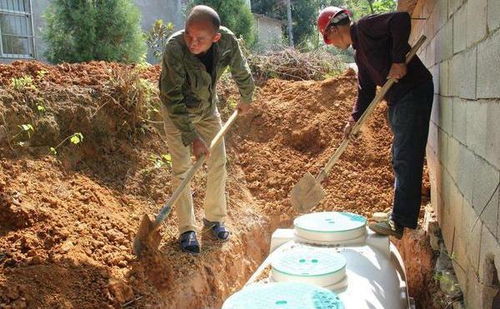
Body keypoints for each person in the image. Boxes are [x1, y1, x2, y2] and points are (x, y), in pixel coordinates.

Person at [317, 7, 433, 239]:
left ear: (334, 28)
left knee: (405, 155)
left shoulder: (365, 27)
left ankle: (399, 221)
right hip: (400, 99)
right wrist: (353, 120)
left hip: (413, 92)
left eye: (327, 38)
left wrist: (399, 59)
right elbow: (365, 91)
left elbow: (400, 19)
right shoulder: (360, 54)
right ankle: (397, 213)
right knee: (398, 155)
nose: (331, 43)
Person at [159, 5, 255, 254]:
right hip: (177, 112)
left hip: (207, 110)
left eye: (200, 39)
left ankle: (213, 219)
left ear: (215, 38)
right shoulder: (175, 48)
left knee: (218, 161)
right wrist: (192, 137)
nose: (192, 42)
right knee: (181, 169)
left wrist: (246, 96)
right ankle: (187, 229)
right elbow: (172, 97)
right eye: (189, 35)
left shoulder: (228, 42)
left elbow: (241, 70)